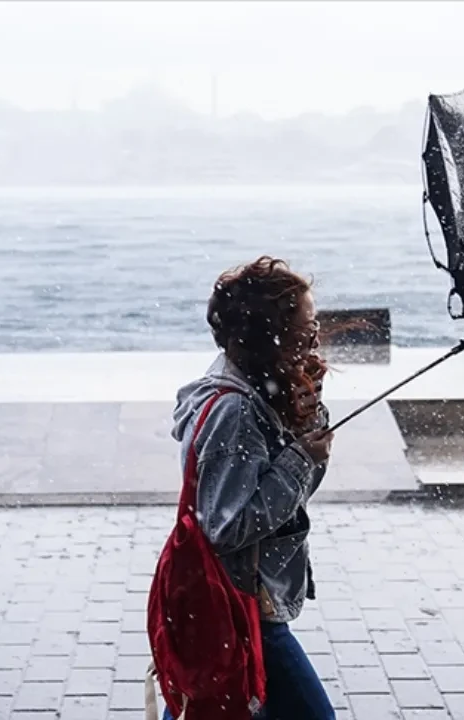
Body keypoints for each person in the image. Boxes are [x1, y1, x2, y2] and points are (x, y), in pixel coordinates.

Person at [164, 256, 335, 720]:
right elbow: (228, 525)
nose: (315, 340)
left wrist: (307, 419)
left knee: (209, 706)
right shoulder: (234, 411)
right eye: (306, 330)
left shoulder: (257, 392)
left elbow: (295, 498)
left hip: (236, 601)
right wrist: (300, 457)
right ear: (270, 336)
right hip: (242, 603)